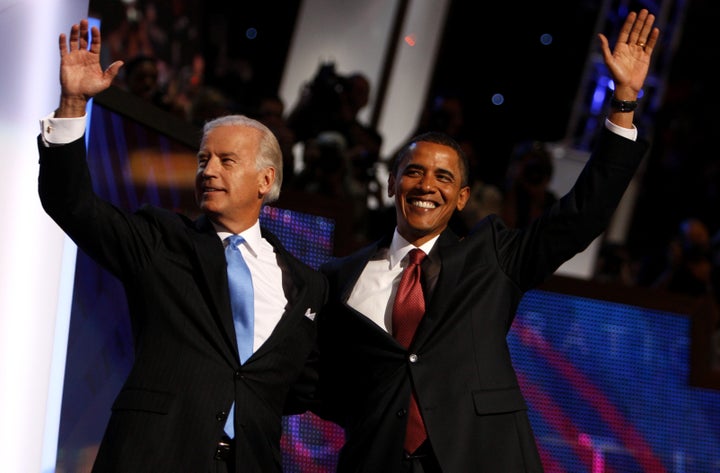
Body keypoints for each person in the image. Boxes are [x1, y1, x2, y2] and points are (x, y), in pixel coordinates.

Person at [313, 9, 659, 472]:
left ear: (461, 198)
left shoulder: (493, 256)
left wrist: (624, 102)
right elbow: (315, 381)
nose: (426, 185)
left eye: (443, 177)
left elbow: (582, 214)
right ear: (393, 182)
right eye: (413, 171)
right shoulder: (339, 277)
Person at [37, 20, 328, 473]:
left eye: (226, 161)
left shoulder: (307, 285)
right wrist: (73, 103)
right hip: (152, 457)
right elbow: (71, 204)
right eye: (203, 159)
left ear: (265, 180)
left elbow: (299, 385)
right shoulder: (162, 240)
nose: (208, 170)